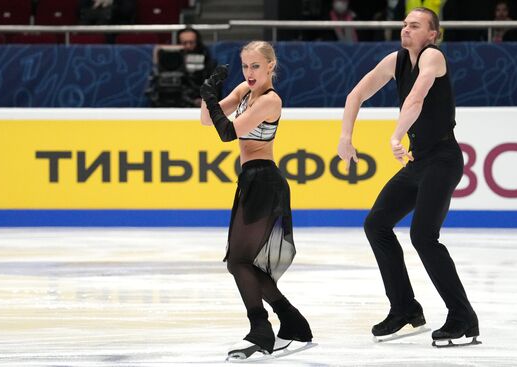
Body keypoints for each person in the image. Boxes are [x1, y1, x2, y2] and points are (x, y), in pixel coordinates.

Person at [337, 7, 480, 346]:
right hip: (419, 163)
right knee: (376, 224)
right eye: (404, 24)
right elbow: (355, 94)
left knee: (423, 236)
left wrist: (396, 135)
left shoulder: (434, 58)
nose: (406, 29)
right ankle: (405, 309)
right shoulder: (395, 61)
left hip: (444, 159)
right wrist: (345, 137)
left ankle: (463, 317)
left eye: (414, 26)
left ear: (432, 34)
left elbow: (416, 98)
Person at [199, 41, 313, 359]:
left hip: (265, 180)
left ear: (270, 66)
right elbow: (207, 120)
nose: (249, 72)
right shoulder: (245, 92)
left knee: (238, 261)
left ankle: (261, 330)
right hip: (250, 181)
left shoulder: (269, 100)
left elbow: (227, 132)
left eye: (256, 66)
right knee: (244, 262)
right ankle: (293, 322)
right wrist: (209, 88)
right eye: (245, 66)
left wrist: (209, 95)